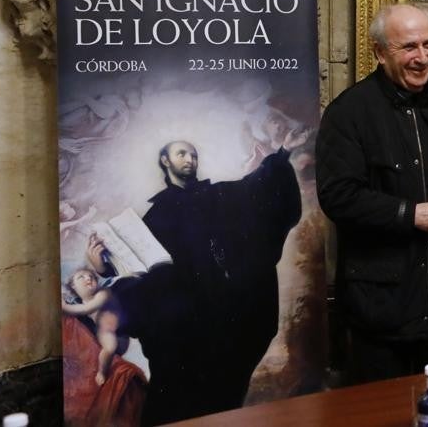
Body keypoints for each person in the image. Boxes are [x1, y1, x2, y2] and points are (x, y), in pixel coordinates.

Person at [316, 4, 428, 381]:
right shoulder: (348, 112)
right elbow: (337, 196)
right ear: (379, 52)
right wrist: (413, 214)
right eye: (409, 47)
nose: (422, 57)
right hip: (382, 303)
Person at [86, 138, 301, 424]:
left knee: (222, 405)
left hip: (223, 329)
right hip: (179, 339)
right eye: (181, 153)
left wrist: (282, 155)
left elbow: (258, 188)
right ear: (165, 160)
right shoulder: (155, 217)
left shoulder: (221, 196)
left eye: (194, 155)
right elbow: (138, 274)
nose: (190, 159)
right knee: (173, 408)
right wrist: (103, 269)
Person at [62, 268, 129, 386]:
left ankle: (102, 372)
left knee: (109, 348)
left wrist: (65, 307)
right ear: (73, 286)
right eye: (81, 277)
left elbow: (87, 309)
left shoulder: (103, 294)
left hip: (116, 333)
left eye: (91, 276)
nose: (88, 278)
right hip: (101, 331)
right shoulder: (77, 303)